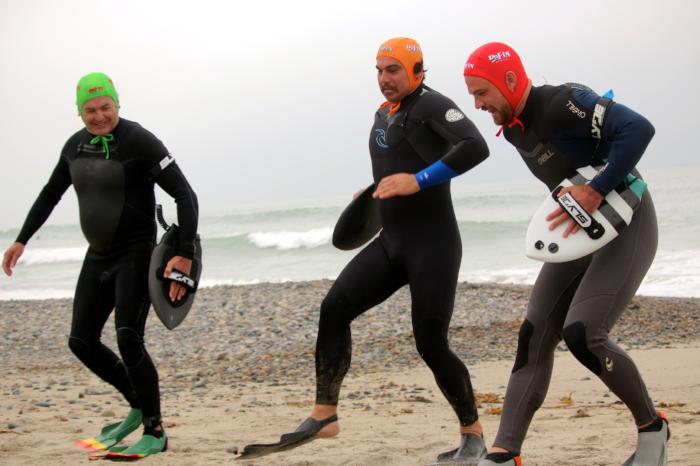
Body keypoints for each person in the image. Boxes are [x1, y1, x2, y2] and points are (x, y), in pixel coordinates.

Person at [240, 37, 490, 463]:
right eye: (378, 70)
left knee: (431, 342)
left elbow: (475, 146)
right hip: (391, 241)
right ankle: (325, 414)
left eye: (393, 69)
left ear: (416, 70)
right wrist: (374, 190)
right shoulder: (384, 113)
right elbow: (397, 165)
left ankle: (473, 435)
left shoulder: (432, 104)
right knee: (333, 308)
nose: (384, 79)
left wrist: (419, 180)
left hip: (433, 244)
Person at [462, 42, 668, 466]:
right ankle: (504, 453)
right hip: (576, 232)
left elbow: (638, 129)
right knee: (533, 336)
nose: (477, 104)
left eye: (482, 93)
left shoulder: (563, 102)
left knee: (583, 333)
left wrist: (596, 189)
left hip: (625, 225)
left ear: (512, 80)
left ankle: (653, 430)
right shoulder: (515, 127)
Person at [2, 72, 199, 459]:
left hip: (136, 253)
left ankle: (155, 431)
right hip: (98, 256)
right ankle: (137, 404)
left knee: (128, 336)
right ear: (79, 112)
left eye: (105, 107)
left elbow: (185, 194)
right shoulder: (74, 146)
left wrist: (186, 251)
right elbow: (49, 194)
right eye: (89, 110)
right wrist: (21, 239)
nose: (98, 116)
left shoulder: (138, 140)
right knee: (81, 341)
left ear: (117, 105)